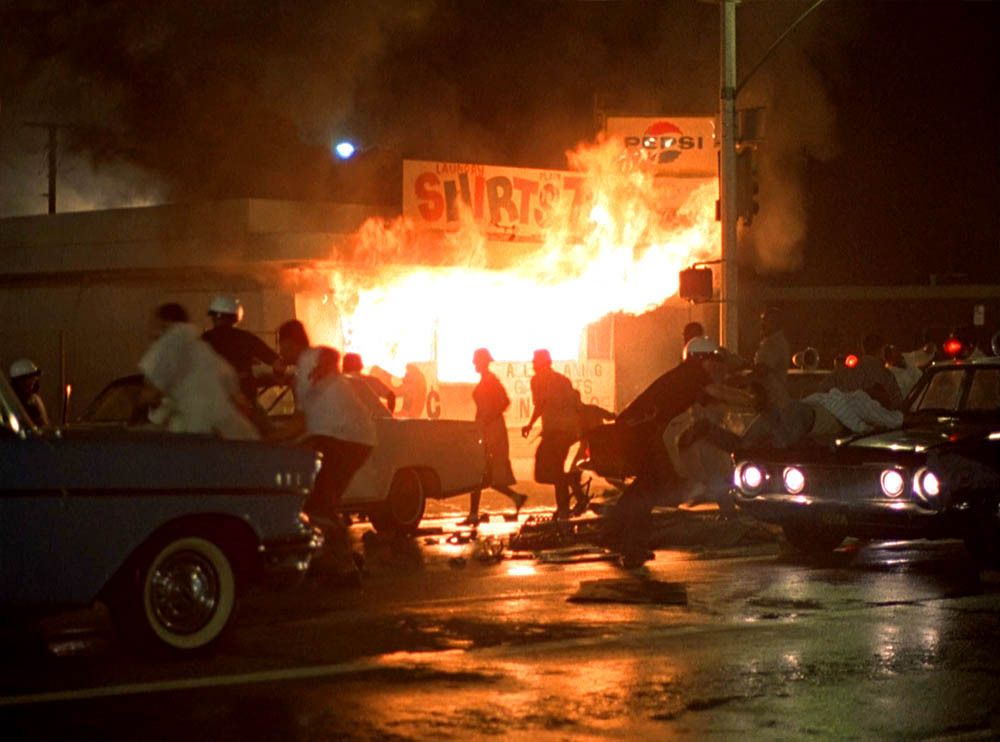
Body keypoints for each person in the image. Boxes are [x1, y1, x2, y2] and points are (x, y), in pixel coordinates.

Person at [601, 336, 750, 567]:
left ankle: (616, 535)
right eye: (714, 359)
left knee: (644, 488)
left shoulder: (685, 375)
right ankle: (628, 542)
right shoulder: (693, 375)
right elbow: (719, 393)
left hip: (636, 434)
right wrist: (754, 400)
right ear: (701, 359)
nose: (717, 365)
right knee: (649, 489)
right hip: (639, 436)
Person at [271, 320, 377, 584]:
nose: (279, 352)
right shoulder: (301, 376)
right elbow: (301, 421)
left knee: (319, 502)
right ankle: (340, 559)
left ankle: (344, 567)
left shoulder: (311, 357)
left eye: (280, 346)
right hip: (340, 437)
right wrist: (272, 439)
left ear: (290, 343)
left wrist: (324, 366)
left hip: (345, 438)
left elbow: (331, 354)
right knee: (318, 501)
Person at [138, 302, 258, 439]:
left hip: (194, 434)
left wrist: (136, 421)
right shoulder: (203, 349)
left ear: (165, 322)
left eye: (155, 324)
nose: (151, 330)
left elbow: (149, 393)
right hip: (229, 431)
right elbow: (235, 391)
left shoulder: (166, 345)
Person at [462, 348, 526, 525]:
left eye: (476, 360)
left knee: (480, 473)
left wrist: (488, 419)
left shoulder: (491, 381)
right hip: (486, 430)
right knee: (485, 475)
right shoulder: (486, 380)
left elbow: (504, 402)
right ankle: (516, 498)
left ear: (483, 362)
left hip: (493, 432)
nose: (474, 363)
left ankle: (474, 514)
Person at [201, 295, 285, 421]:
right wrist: (278, 377)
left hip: (212, 404)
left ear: (213, 317)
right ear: (236, 317)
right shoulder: (246, 338)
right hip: (244, 405)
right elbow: (277, 362)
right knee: (268, 434)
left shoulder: (204, 340)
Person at [521, 349, 581, 520]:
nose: (533, 364)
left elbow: (540, 405)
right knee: (549, 472)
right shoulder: (563, 380)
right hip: (561, 432)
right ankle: (571, 483)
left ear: (542, 363)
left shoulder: (538, 381)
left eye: (535, 361)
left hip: (558, 433)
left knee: (549, 471)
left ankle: (563, 507)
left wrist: (531, 424)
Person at [819, 333, 903, 410]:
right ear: (882, 350)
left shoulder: (844, 371)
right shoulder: (885, 375)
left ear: (863, 349)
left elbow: (823, 388)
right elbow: (897, 402)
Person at [8, 358, 50, 427]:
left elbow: (43, 423)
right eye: (31, 378)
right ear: (20, 381)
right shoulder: (12, 402)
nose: (34, 380)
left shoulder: (34, 399)